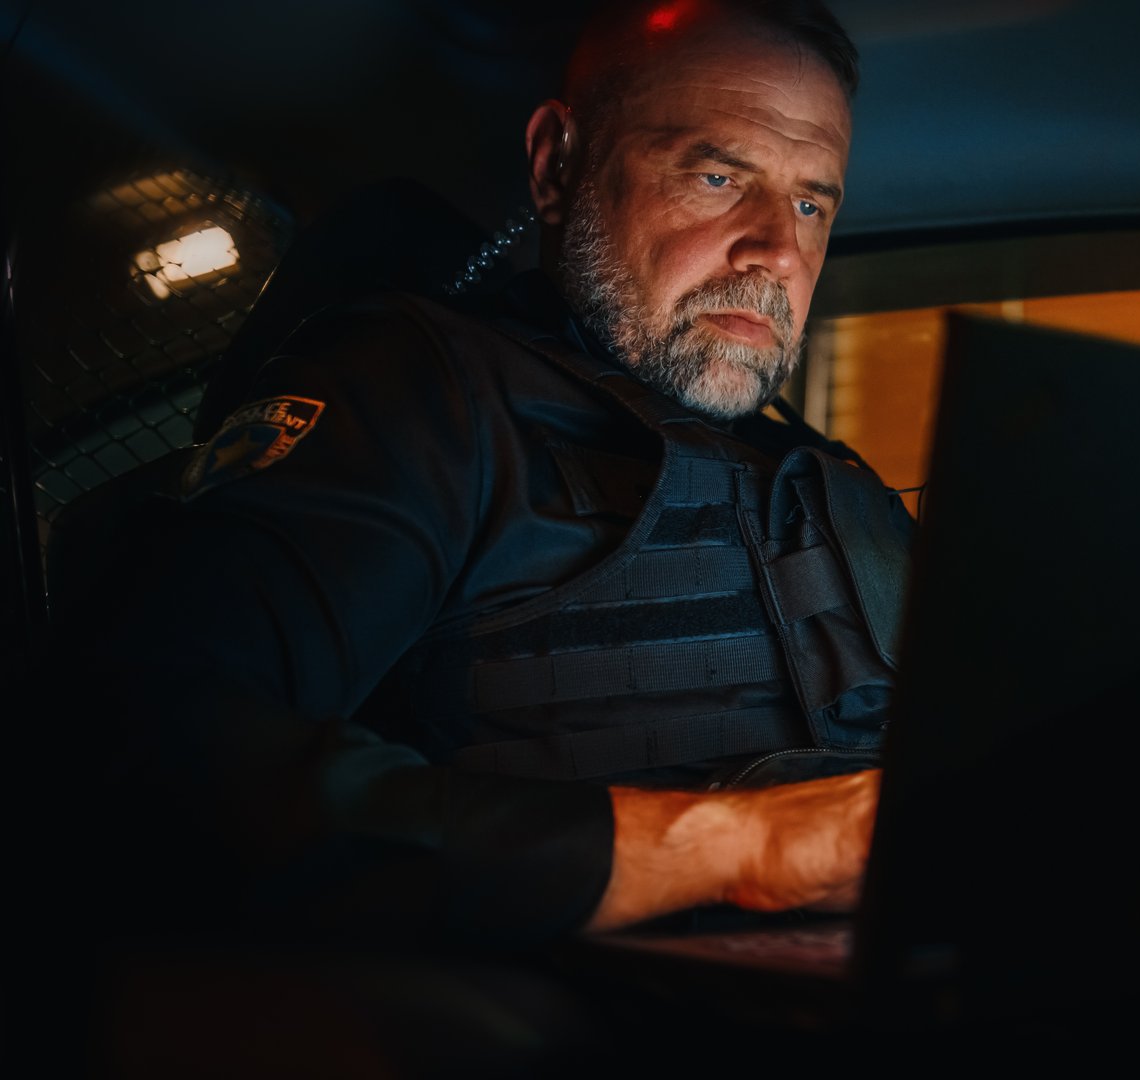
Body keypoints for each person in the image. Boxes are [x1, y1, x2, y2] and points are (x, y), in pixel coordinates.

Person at [71, 0, 907, 950]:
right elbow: (151, 745)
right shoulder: (421, 391)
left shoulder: (834, 479)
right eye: (718, 175)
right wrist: (729, 846)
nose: (778, 252)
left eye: (811, 203)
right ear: (558, 167)